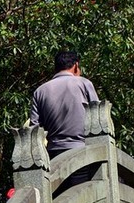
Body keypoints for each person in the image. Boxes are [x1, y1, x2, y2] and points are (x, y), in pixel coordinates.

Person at [29, 48, 100, 182]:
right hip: (82, 152)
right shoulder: (84, 84)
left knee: (59, 199)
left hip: (53, 156)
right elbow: (98, 117)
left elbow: (34, 128)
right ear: (76, 66)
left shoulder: (40, 91)